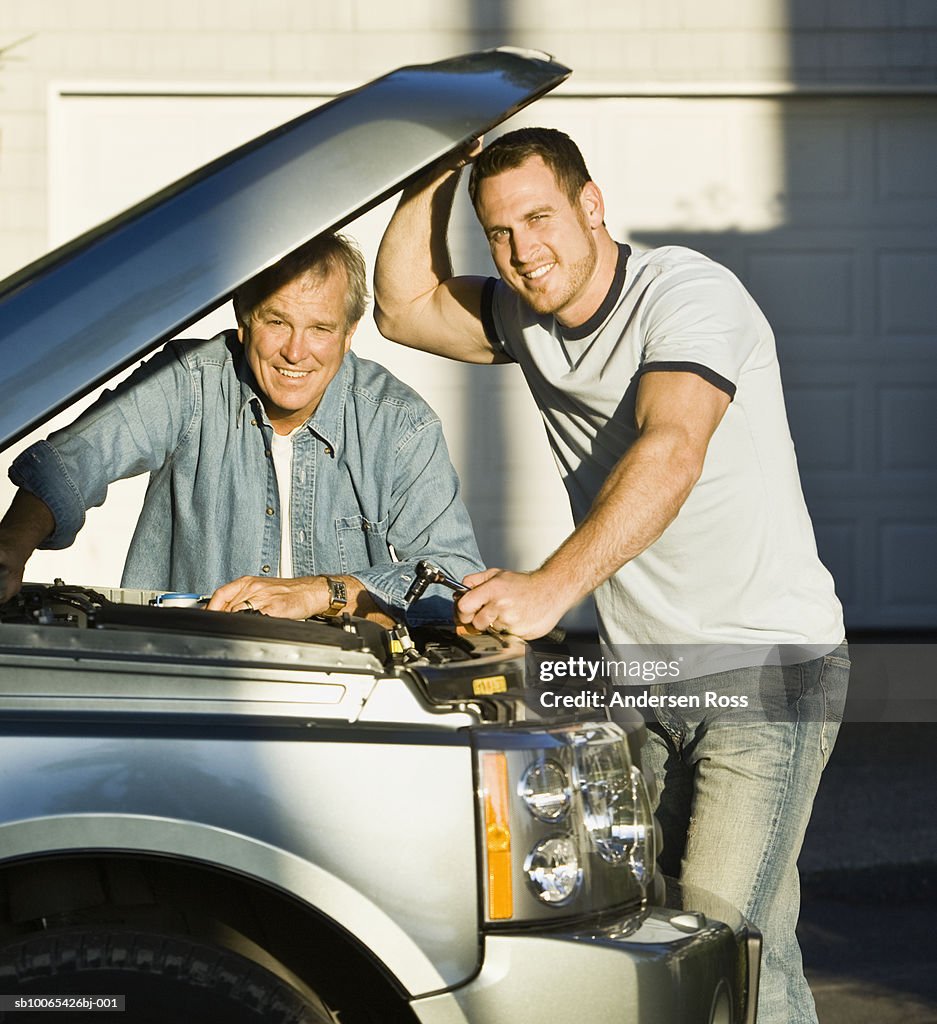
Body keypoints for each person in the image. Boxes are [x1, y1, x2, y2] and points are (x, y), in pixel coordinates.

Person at [374, 127, 848, 1024]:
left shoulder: (687, 296)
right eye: (500, 231)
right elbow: (402, 308)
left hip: (765, 667)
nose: (522, 250)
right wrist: (434, 170)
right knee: (742, 944)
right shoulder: (524, 315)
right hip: (649, 676)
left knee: (708, 943)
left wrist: (550, 588)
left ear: (592, 205)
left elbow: (671, 447)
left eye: (540, 218)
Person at [0, 233, 482, 625]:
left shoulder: (398, 423)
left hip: (346, 692)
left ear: (349, 333)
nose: (296, 352)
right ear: (244, 321)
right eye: (278, 321)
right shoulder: (191, 380)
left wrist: (322, 593)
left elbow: (455, 575)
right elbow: (74, 462)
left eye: (320, 329)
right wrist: (10, 549)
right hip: (196, 679)